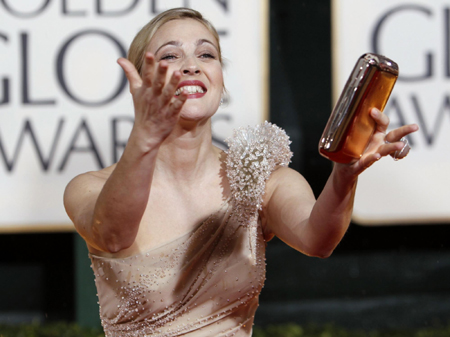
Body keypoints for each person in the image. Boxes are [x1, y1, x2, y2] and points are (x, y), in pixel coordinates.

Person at [63, 7, 419, 337]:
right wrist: (145, 136)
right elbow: (112, 235)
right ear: (139, 83)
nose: (191, 65)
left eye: (206, 54)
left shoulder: (260, 176)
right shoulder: (88, 187)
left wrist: (345, 173)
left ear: (220, 78)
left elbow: (317, 240)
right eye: (171, 55)